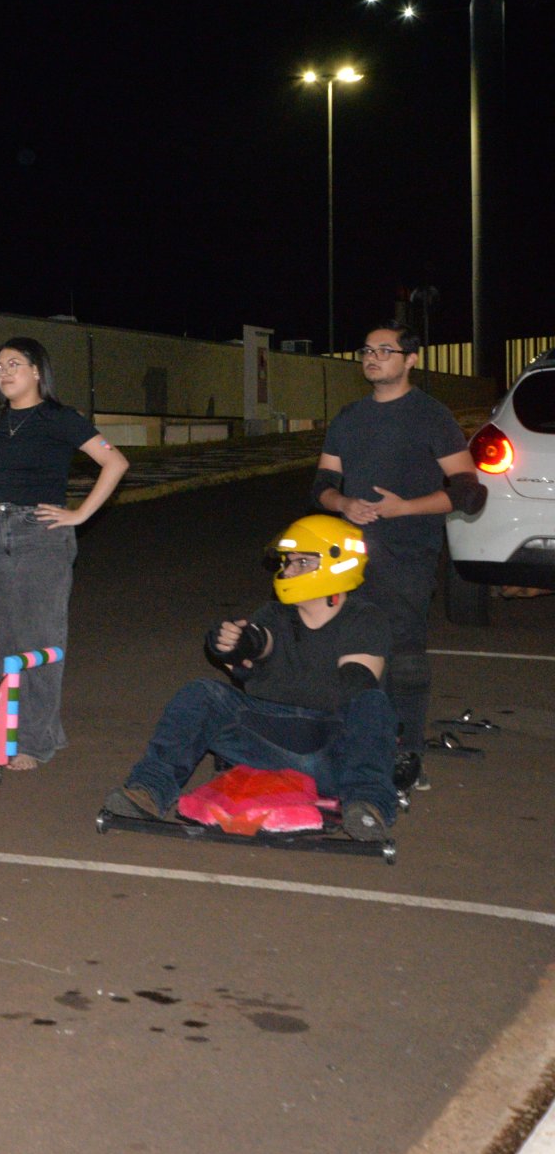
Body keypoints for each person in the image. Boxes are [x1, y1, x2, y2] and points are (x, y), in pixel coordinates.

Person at [102, 514, 397, 841]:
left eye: (301, 562)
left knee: (370, 702)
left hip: (331, 754)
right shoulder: (275, 613)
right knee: (202, 693)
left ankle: (368, 804)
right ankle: (149, 789)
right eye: (287, 562)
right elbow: (260, 640)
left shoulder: (364, 619)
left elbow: (349, 689)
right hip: (269, 748)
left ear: (337, 563)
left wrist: (262, 674)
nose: (288, 571)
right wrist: (233, 645)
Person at [314, 323, 478, 774]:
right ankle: (361, 745)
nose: (373, 357)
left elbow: (468, 491)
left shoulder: (430, 416)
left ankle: (408, 754)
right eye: (367, 350)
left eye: (385, 350)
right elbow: (322, 484)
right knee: (352, 649)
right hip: (351, 553)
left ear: (410, 360)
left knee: (404, 651)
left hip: (409, 553)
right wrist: (343, 503)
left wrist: (404, 507)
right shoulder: (349, 417)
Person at [0, 337, 127, 767]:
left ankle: (35, 741)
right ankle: (17, 726)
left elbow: (115, 462)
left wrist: (80, 514)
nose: (4, 373)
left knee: (40, 636)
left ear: (37, 371)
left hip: (41, 535)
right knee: (3, 636)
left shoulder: (60, 418)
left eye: (14, 364)